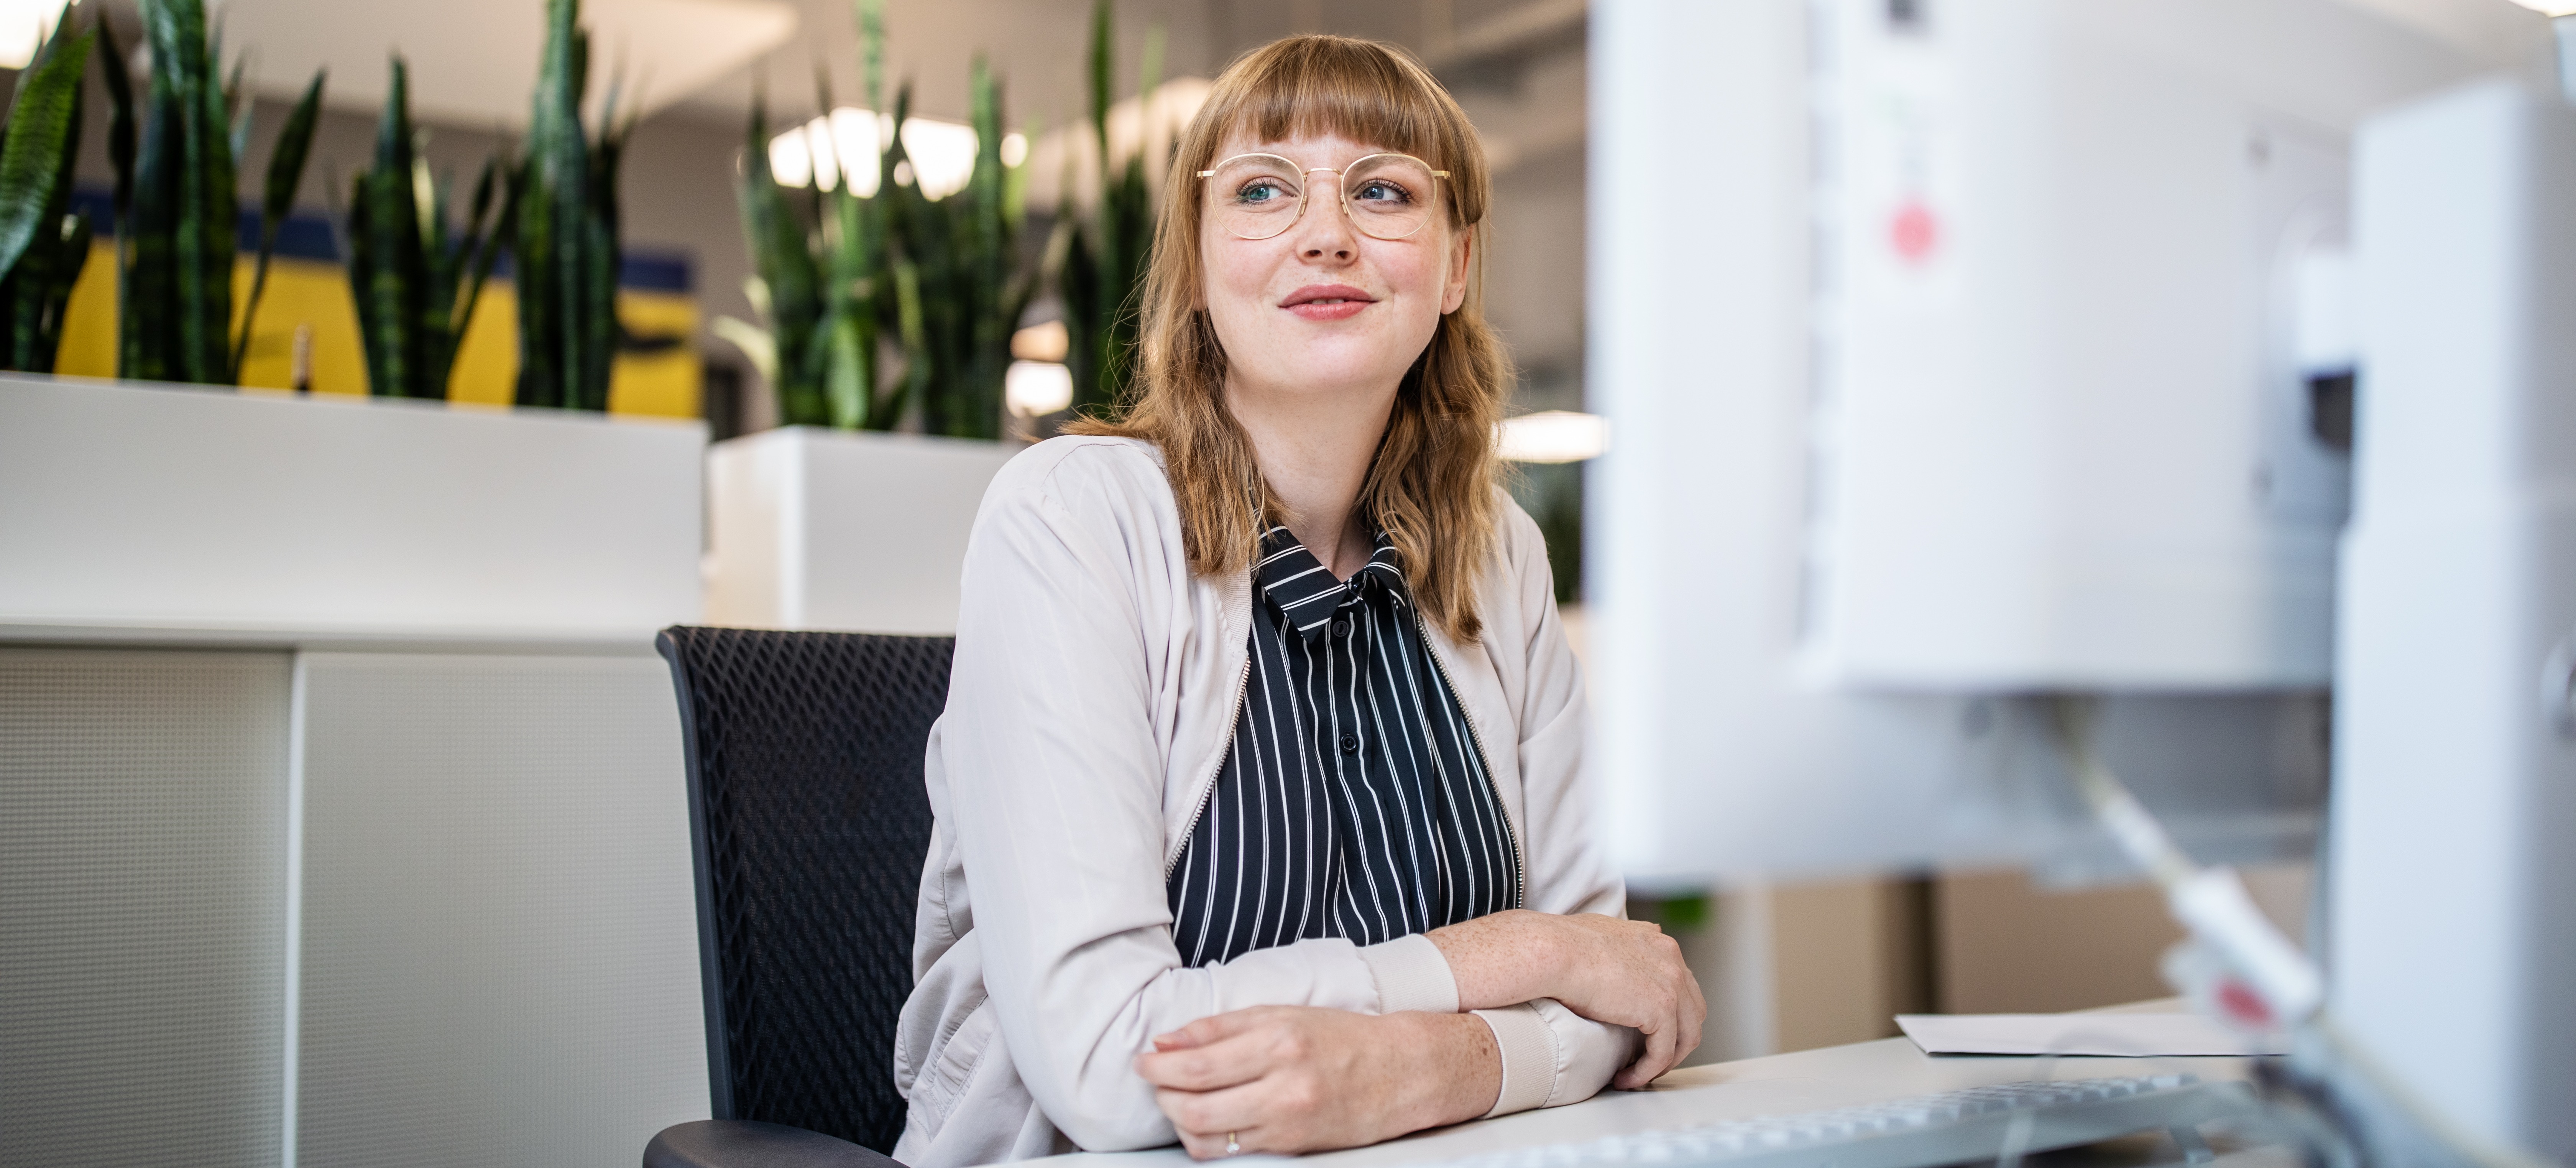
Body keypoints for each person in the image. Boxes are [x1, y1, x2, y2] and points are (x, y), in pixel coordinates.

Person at [891, 33, 1705, 1167]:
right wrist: (1512, 960)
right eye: (1265, 192)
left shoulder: (1497, 553)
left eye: (1381, 191)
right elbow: (1107, 1066)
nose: (1326, 234)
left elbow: (1617, 998)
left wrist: (1415, 1071)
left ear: (1455, 266)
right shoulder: (1074, 518)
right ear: (1201, 260)